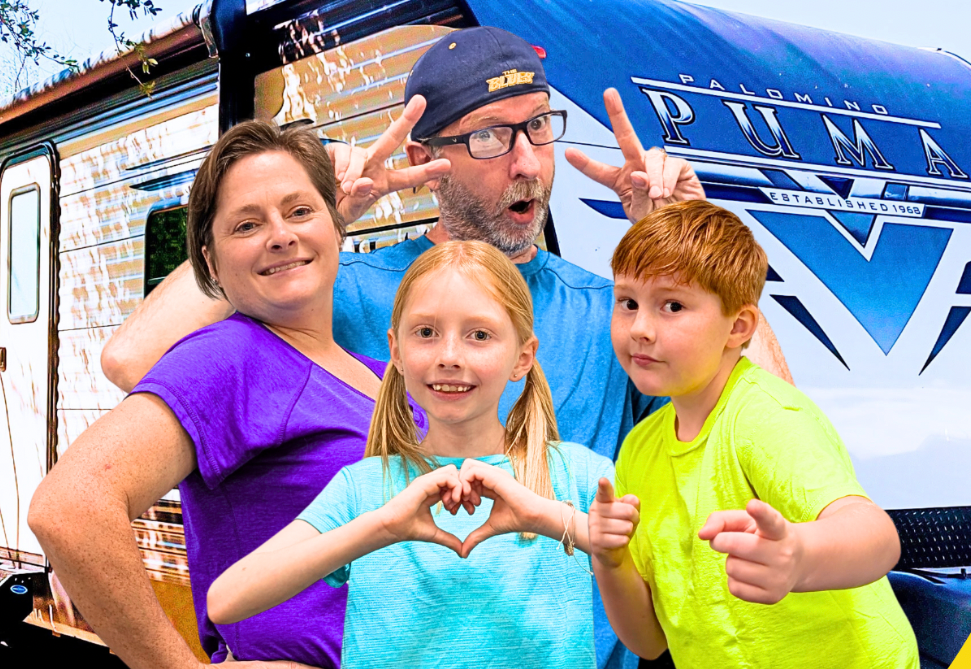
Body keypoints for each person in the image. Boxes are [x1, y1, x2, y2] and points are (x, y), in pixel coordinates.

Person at [98, 26, 790, 666]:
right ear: (423, 158)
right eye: (490, 136)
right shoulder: (348, 290)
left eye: (538, 128)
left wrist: (694, 245)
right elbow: (136, 358)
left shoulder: (611, 307)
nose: (526, 162)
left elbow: (769, 422)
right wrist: (323, 214)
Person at [28, 119, 446, 669]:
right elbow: (69, 507)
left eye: (300, 211)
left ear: (336, 225)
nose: (280, 234)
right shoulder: (232, 356)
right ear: (210, 262)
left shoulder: (384, 375)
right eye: (247, 225)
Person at [208, 240, 613, 669]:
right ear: (396, 352)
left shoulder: (580, 477)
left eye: (479, 335)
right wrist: (380, 527)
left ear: (523, 357)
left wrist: (551, 519)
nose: (450, 357)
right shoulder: (362, 488)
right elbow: (227, 600)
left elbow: (656, 586)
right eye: (426, 333)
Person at [587, 200, 920, 668]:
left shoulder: (765, 416)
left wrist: (799, 555)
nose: (640, 328)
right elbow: (648, 641)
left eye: (673, 306)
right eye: (628, 303)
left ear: (738, 327)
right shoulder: (639, 450)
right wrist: (609, 559)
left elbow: (878, 537)